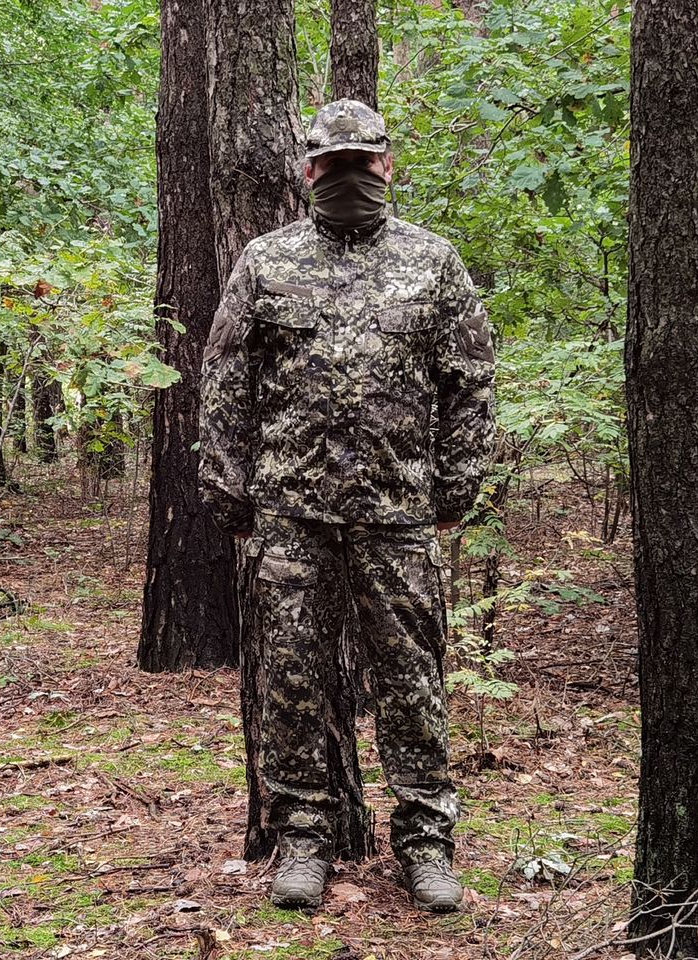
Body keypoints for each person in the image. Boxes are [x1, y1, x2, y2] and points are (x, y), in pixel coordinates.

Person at [198, 99, 496, 913]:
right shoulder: (266, 261)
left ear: (388, 166)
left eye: (363, 162)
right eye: (335, 164)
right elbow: (224, 381)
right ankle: (303, 838)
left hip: (397, 515)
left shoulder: (434, 263)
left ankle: (427, 843)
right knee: (292, 683)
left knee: (411, 682)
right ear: (308, 171)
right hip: (291, 515)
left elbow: (469, 382)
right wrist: (230, 496)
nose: (350, 176)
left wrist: (455, 488)